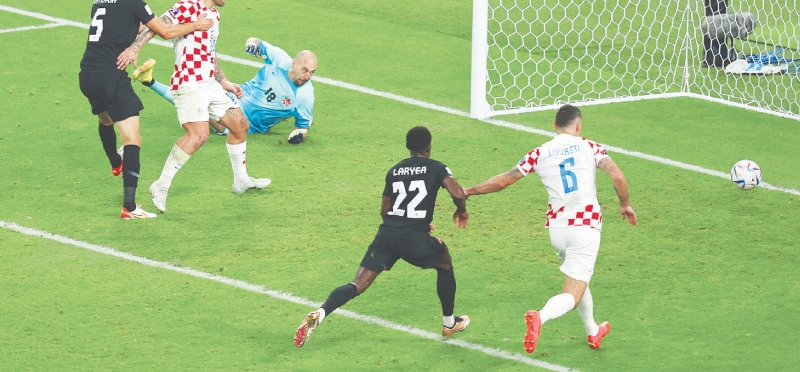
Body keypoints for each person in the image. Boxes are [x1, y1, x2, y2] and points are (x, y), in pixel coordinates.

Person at [463, 104, 637, 353]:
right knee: (572, 293)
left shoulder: (539, 153)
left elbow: (504, 180)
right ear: (578, 126)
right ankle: (540, 317)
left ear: (554, 126)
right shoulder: (591, 146)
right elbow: (617, 175)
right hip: (584, 227)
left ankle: (592, 330)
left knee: (578, 277)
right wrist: (625, 204)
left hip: (557, 229)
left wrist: (469, 191)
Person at [294, 126, 471, 347]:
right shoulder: (437, 167)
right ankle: (449, 322)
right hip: (414, 239)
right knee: (444, 262)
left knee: (357, 283)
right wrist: (461, 210)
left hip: (386, 236)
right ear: (429, 146)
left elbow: (385, 210)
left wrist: (409, 220)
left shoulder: (394, 171)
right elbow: (458, 193)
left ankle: (320, 312)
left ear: (408, 147)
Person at [78, 0, 212, 220]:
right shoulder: (133, 2)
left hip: (87, 74)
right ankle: (129, 207)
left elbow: (133, 26)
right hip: (112, 74)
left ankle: (115, 164)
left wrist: (145, 31)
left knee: (105, 118)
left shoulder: (99, 2)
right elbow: (164, 32)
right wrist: (195, 25)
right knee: (133, 140)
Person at [130, 0, 269, 213]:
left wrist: (224, 81)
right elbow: (156, 26)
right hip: (189, 82)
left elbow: (209, 53)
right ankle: (160, 185)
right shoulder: (186, 6)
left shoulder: (214, 16)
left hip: (209, 83)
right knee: (198, 136)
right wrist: (135, 48)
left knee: (240, 126)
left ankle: (241, 180)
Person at [133, 37, 316, 144]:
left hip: (242, 121)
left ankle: (150, 81)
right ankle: (149, 80)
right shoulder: (281, 59)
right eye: (304, 70)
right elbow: (256, 41)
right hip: (236, 93)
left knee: (199, 98)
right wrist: (251, 44)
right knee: (199, 84)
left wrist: (298, 136)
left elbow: (302, 126)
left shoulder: (305, 96)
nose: (307, 76)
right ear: (294, 63)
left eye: (312, 73)